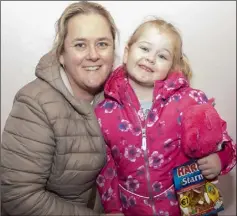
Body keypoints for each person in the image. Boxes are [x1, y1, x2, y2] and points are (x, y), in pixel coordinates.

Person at [95, 17, 236, 216]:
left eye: (162, 56)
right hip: (132, 209)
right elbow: (106, 169)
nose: (151, 58)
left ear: (172, 66)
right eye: (144, 49)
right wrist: (113, 208)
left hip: (186, 205)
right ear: (127, 53)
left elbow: (224, 142)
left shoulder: (190, 101)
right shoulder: (104, 112)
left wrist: (219, 158)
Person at [1, 1, 123, 216]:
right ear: (61, 54)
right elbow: (19, 197)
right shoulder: (34, 104)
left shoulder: (120, 95)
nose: (93, 55)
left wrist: (202, 157)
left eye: (102, 44)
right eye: (80, 45)